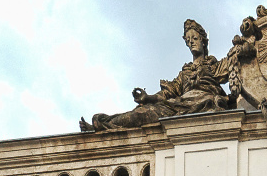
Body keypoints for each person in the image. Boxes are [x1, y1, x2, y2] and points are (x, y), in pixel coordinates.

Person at [80, 19, 236, 132]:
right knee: (142, 113)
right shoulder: (184, 73)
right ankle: (101, 126)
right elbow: (167, 93)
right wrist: (148, 98)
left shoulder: (214, 66)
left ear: (203, 41)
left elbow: (236, 62)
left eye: (195, 38)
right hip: (178, 105)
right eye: (188, 40)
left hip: (203, 103)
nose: (192, 43)